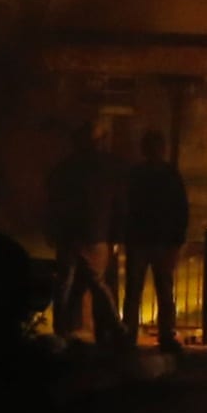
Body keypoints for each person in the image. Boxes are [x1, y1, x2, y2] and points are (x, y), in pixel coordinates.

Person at [45, 121, 129, 350]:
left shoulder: (65, 169)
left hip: (73, 234)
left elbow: (53, 203)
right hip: (95, 234)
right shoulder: (107, 169)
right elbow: (117, 206)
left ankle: (62, 330)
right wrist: (115, 237)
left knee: (66, 284)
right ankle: (115, 328)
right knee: (97, 285)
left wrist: (53, 230)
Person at [123, 130, 189, 354]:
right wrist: (177, 240)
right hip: (159, 240)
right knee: (162, 289)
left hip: (143, 240)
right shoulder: (170, 175)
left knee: (136, 290)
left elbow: (128, 207)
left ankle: (129, 333)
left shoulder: (138, 175)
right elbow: (181, 210)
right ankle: (164, 334)